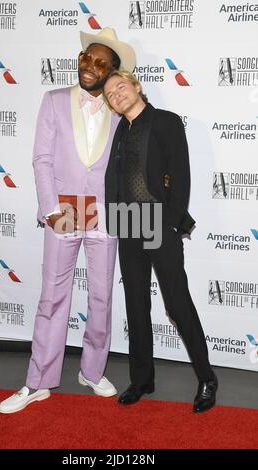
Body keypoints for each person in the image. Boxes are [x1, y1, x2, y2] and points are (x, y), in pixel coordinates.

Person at [0, 29, 136, 414]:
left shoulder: (119, 106)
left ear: (112, 70)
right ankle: (38, 380)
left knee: (101, 296)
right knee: (53, 296)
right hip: (65, 209)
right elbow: (41, 158)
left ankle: (92, 371)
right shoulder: (54, 100)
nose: (88, 66)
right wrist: (51, 208)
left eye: (99, 62)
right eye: (85, 57)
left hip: (104, 212)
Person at [104, 70, 218, 413]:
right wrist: (115, 219)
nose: (117, 95)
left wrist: (170, 223)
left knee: (177, 304)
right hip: (127, 223)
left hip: (158, 222)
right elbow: (115, 178)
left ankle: (207, 378)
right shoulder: (120, 130)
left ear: (137, 87)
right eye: (110, 94)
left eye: (121, 87)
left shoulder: (165, 121)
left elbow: (180, 173)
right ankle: (141, 380)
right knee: (136, 305)